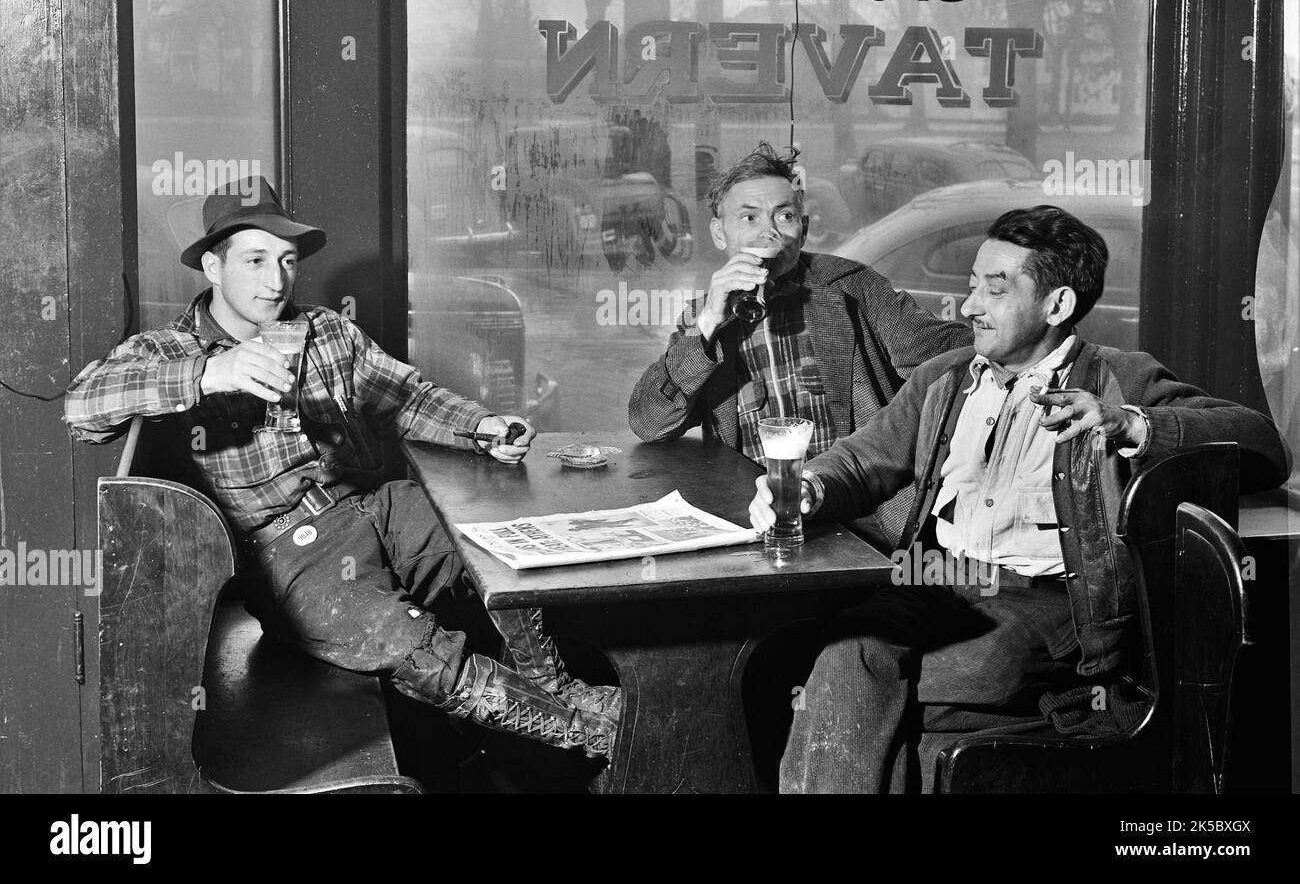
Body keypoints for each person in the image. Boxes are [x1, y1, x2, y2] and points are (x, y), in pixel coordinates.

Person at [65, 177, 619, 759]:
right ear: (212, 265)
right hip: (288, 557)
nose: (275, 280)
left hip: (371, 511)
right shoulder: (170, 350)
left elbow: (407, 398)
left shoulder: (326, 330)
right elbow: (82, 407)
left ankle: (560, 690)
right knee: (415, 647)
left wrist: (480, 427)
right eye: (254, 260)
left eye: (286, 260)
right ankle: (598, 737)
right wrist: (211, 375)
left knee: (501, 539)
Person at [749, 204, 1292, 793]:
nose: (969, 307)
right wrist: (810, 486)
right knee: (862, 676)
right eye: (972, 286)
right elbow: (861, 458)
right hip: (936, 582)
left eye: (996, 289)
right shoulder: (947, 377)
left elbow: (1261, 445)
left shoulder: (1118, 378)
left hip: (1049, 605)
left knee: (857, 674)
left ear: (1057, 305)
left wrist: (1130, 425)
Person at [628, 141, 970, 547]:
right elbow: (648, 422)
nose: (768, 233)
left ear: (803, 230)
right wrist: (706, 325)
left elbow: (957, 355)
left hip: (865, 520)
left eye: (784, 216)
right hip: (759, 515)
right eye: (749, 217)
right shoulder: (706, 314)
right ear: (720, 234)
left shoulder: (852, 287)